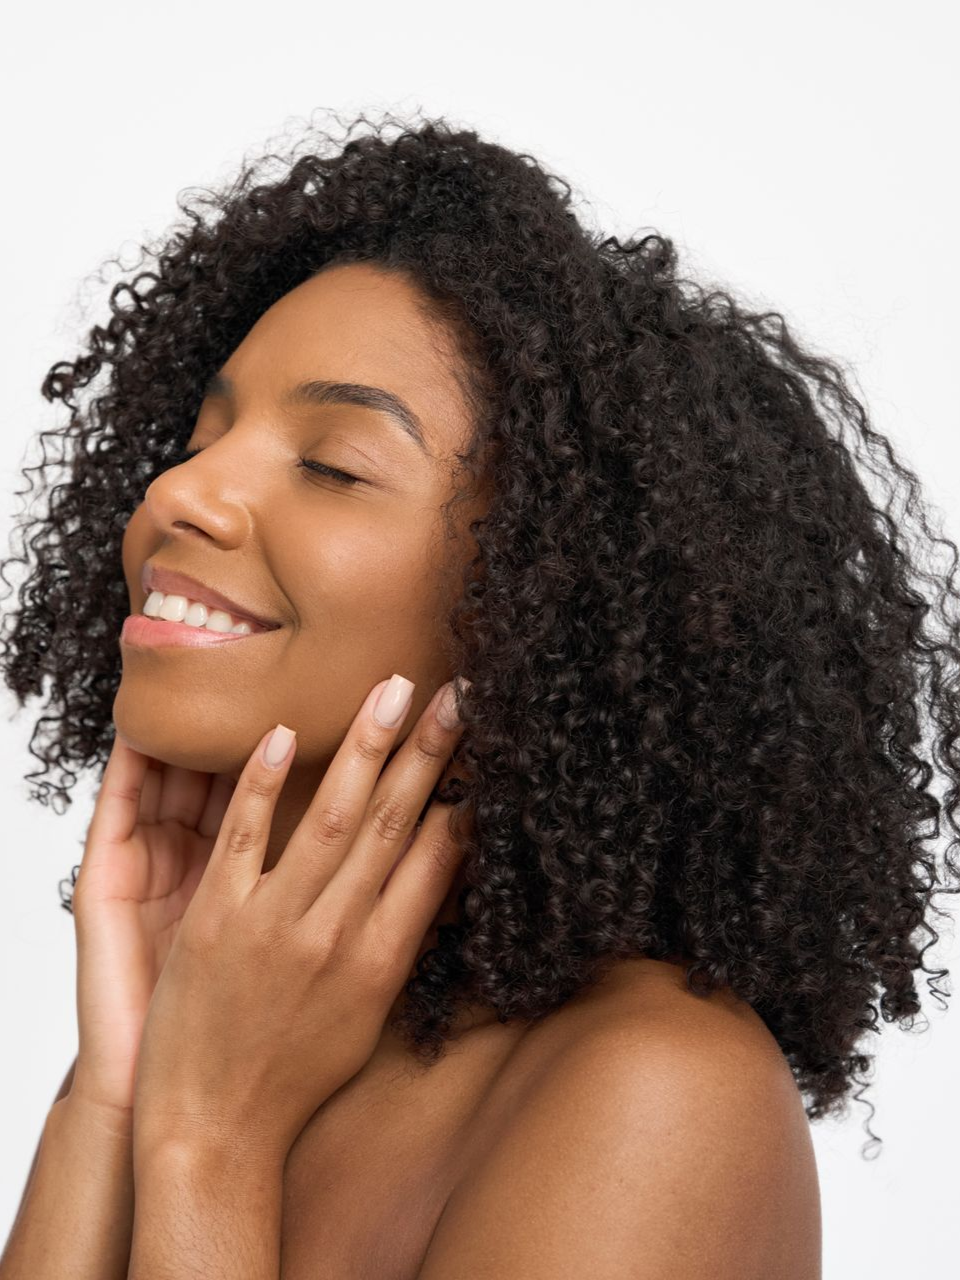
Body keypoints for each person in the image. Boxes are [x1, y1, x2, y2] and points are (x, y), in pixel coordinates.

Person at [1, 110, 957, 1280]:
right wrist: (111, 1091)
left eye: (335, 464)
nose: (185, 491)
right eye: (205, 431)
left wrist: (207, 1144)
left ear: (545, 598)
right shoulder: (221, 1024)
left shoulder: (657, 1092)